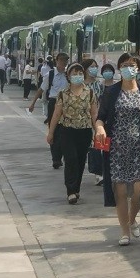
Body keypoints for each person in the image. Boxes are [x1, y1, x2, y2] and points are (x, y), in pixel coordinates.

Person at [93, 53, 140, 246]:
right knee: (120, 190)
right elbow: (101, 117)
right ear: (119, 68)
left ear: (138, 68)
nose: (128, 68)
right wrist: (99, 128)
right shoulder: (111, 92)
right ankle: (124, 232)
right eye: (124, 65)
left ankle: (132, 219)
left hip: (139, 148)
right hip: (116, 149)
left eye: (132, 65)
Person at [47, 62, 99, 204]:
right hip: (67, 131)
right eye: (74, 73)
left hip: (85, 132)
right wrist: (51, 133)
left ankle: (76, 189)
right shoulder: (63, 94)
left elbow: (94, 114)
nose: (78, 76)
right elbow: (56, 114)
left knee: (81, 161)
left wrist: (98, 131)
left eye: (80, 73)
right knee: (71, 159)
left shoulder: (90, 93)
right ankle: (70, 190)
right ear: (68, 76)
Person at [28, 52, 69, 167]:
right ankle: (56, 158)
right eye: (61, 60)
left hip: (67, 104)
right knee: (54, 129)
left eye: (65, 60)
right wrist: (33, 103)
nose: (64, 63)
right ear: (56, 61)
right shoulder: (50, 74)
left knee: (66, 130)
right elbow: (41, 89)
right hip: (54, 103)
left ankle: (64, 155)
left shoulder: (69, 75)